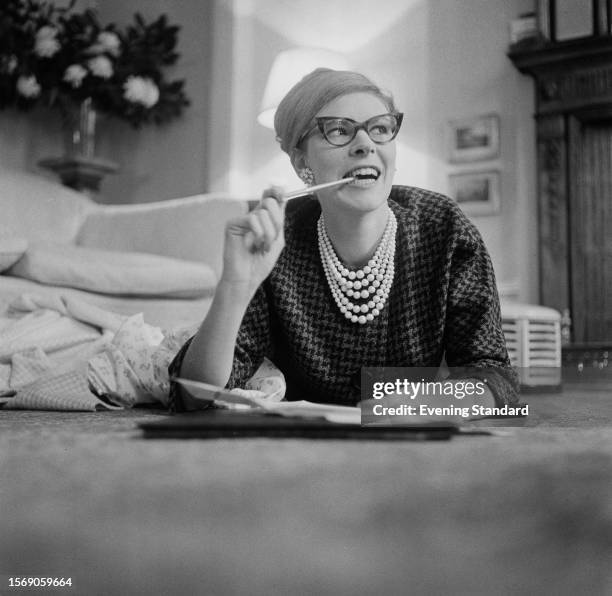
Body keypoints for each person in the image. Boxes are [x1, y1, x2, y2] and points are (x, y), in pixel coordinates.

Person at [168, 68, 518, 412]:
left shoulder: (444, 228)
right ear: (302, 161)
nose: (365, 144)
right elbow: (195, 395)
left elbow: (496, 381)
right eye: (339, 130)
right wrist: (235, 286)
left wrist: (417, 406)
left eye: (380, 128)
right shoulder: (275, 240)